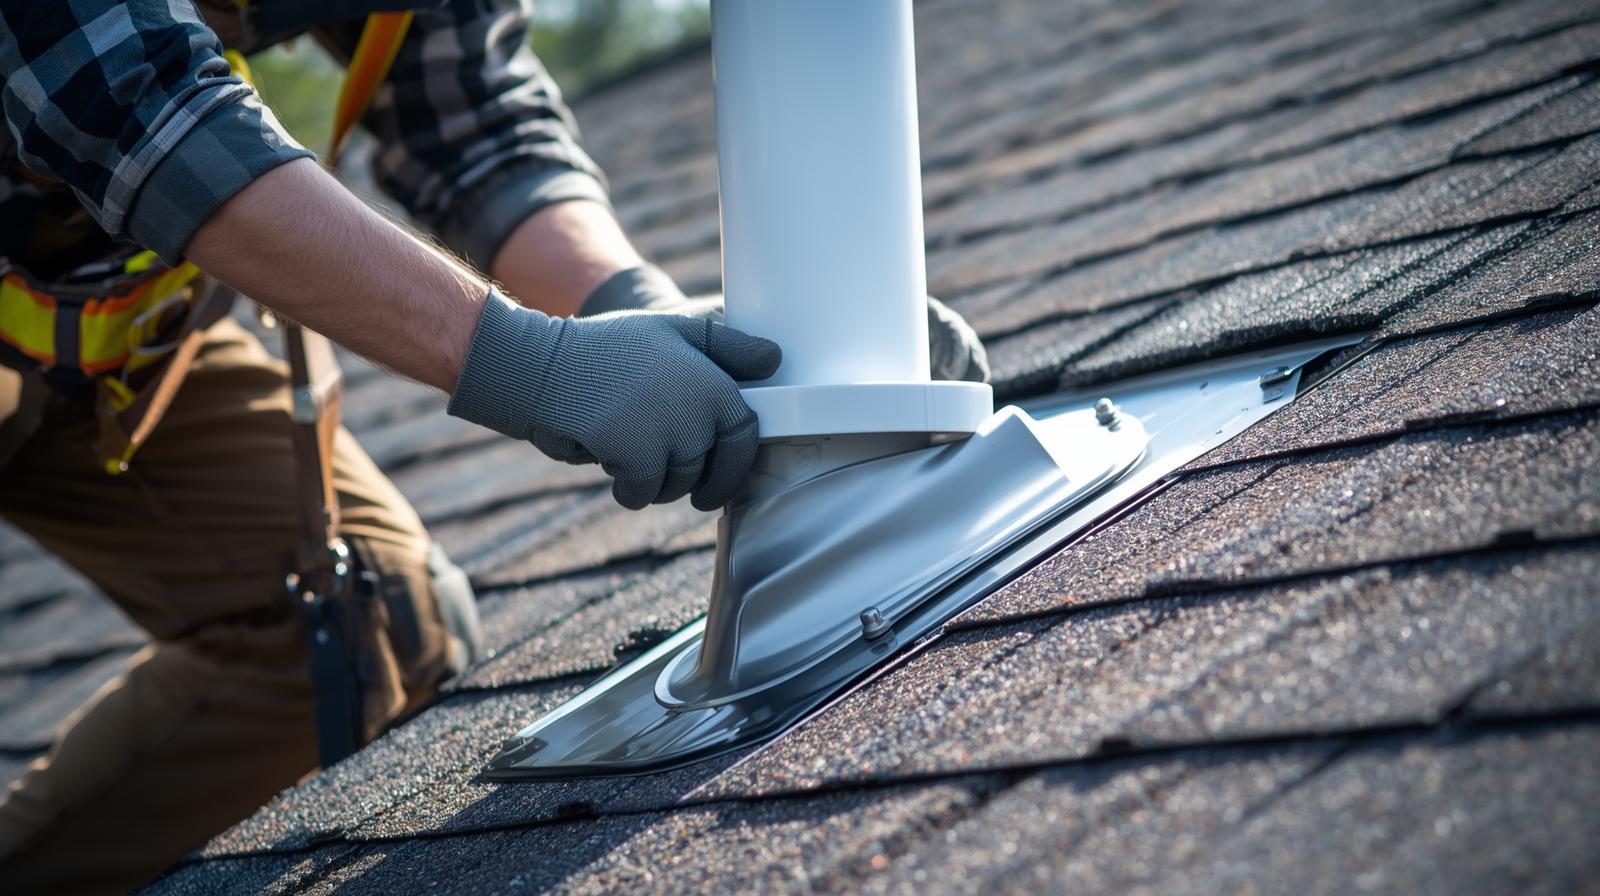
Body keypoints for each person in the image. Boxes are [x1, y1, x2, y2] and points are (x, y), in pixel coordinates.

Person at [0, 1, 988, 892]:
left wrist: (636, 310)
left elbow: (475, 128)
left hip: (108, 325)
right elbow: (140, 107)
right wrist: (528, 361)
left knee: (364, 626)